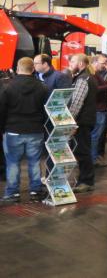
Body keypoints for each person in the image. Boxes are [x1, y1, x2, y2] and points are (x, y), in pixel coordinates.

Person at [0, 57, 50, 203]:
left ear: (17, 69)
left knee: (13, 162)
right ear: (33, 69)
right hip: (35, 129)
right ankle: (35, 191)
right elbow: (47, 110)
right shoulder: (43, 87)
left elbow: (1, 110)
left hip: (13, 130)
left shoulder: (7, 86)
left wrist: (2, 129)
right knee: (34, 161)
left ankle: (12, 193)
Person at [68, 53, 97, 193]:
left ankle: (86, 181)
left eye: (72, 61)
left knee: (82, 151)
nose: (70, 64)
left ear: (81, 64)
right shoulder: (86, 77)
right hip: (85, 121)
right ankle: (85, 180)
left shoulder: (83, 79)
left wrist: (70, 122)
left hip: (81, 122)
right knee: (82, 150)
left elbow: (77, 103)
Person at [90, 54, 107, 167]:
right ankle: (93, 159)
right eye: (103, 63)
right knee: (96, 136)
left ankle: (94, 157)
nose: (104, 65)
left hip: (100, 109)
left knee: (96, 135)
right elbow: (96, 90)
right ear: (95, 62)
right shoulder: (93, 75)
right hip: (99, 109)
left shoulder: (96, 74)